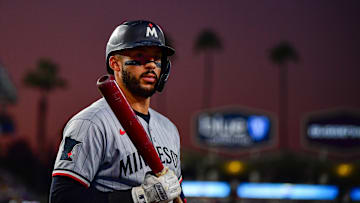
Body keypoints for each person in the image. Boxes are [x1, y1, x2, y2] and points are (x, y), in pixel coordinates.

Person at [49, 20, 186, 203]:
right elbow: (62, 198)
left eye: (157, 58)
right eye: (140, 56)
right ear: (115, 63)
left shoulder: (169, 130)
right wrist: (138, 197)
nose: (152, 65)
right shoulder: (90, 123)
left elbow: (176, 195)